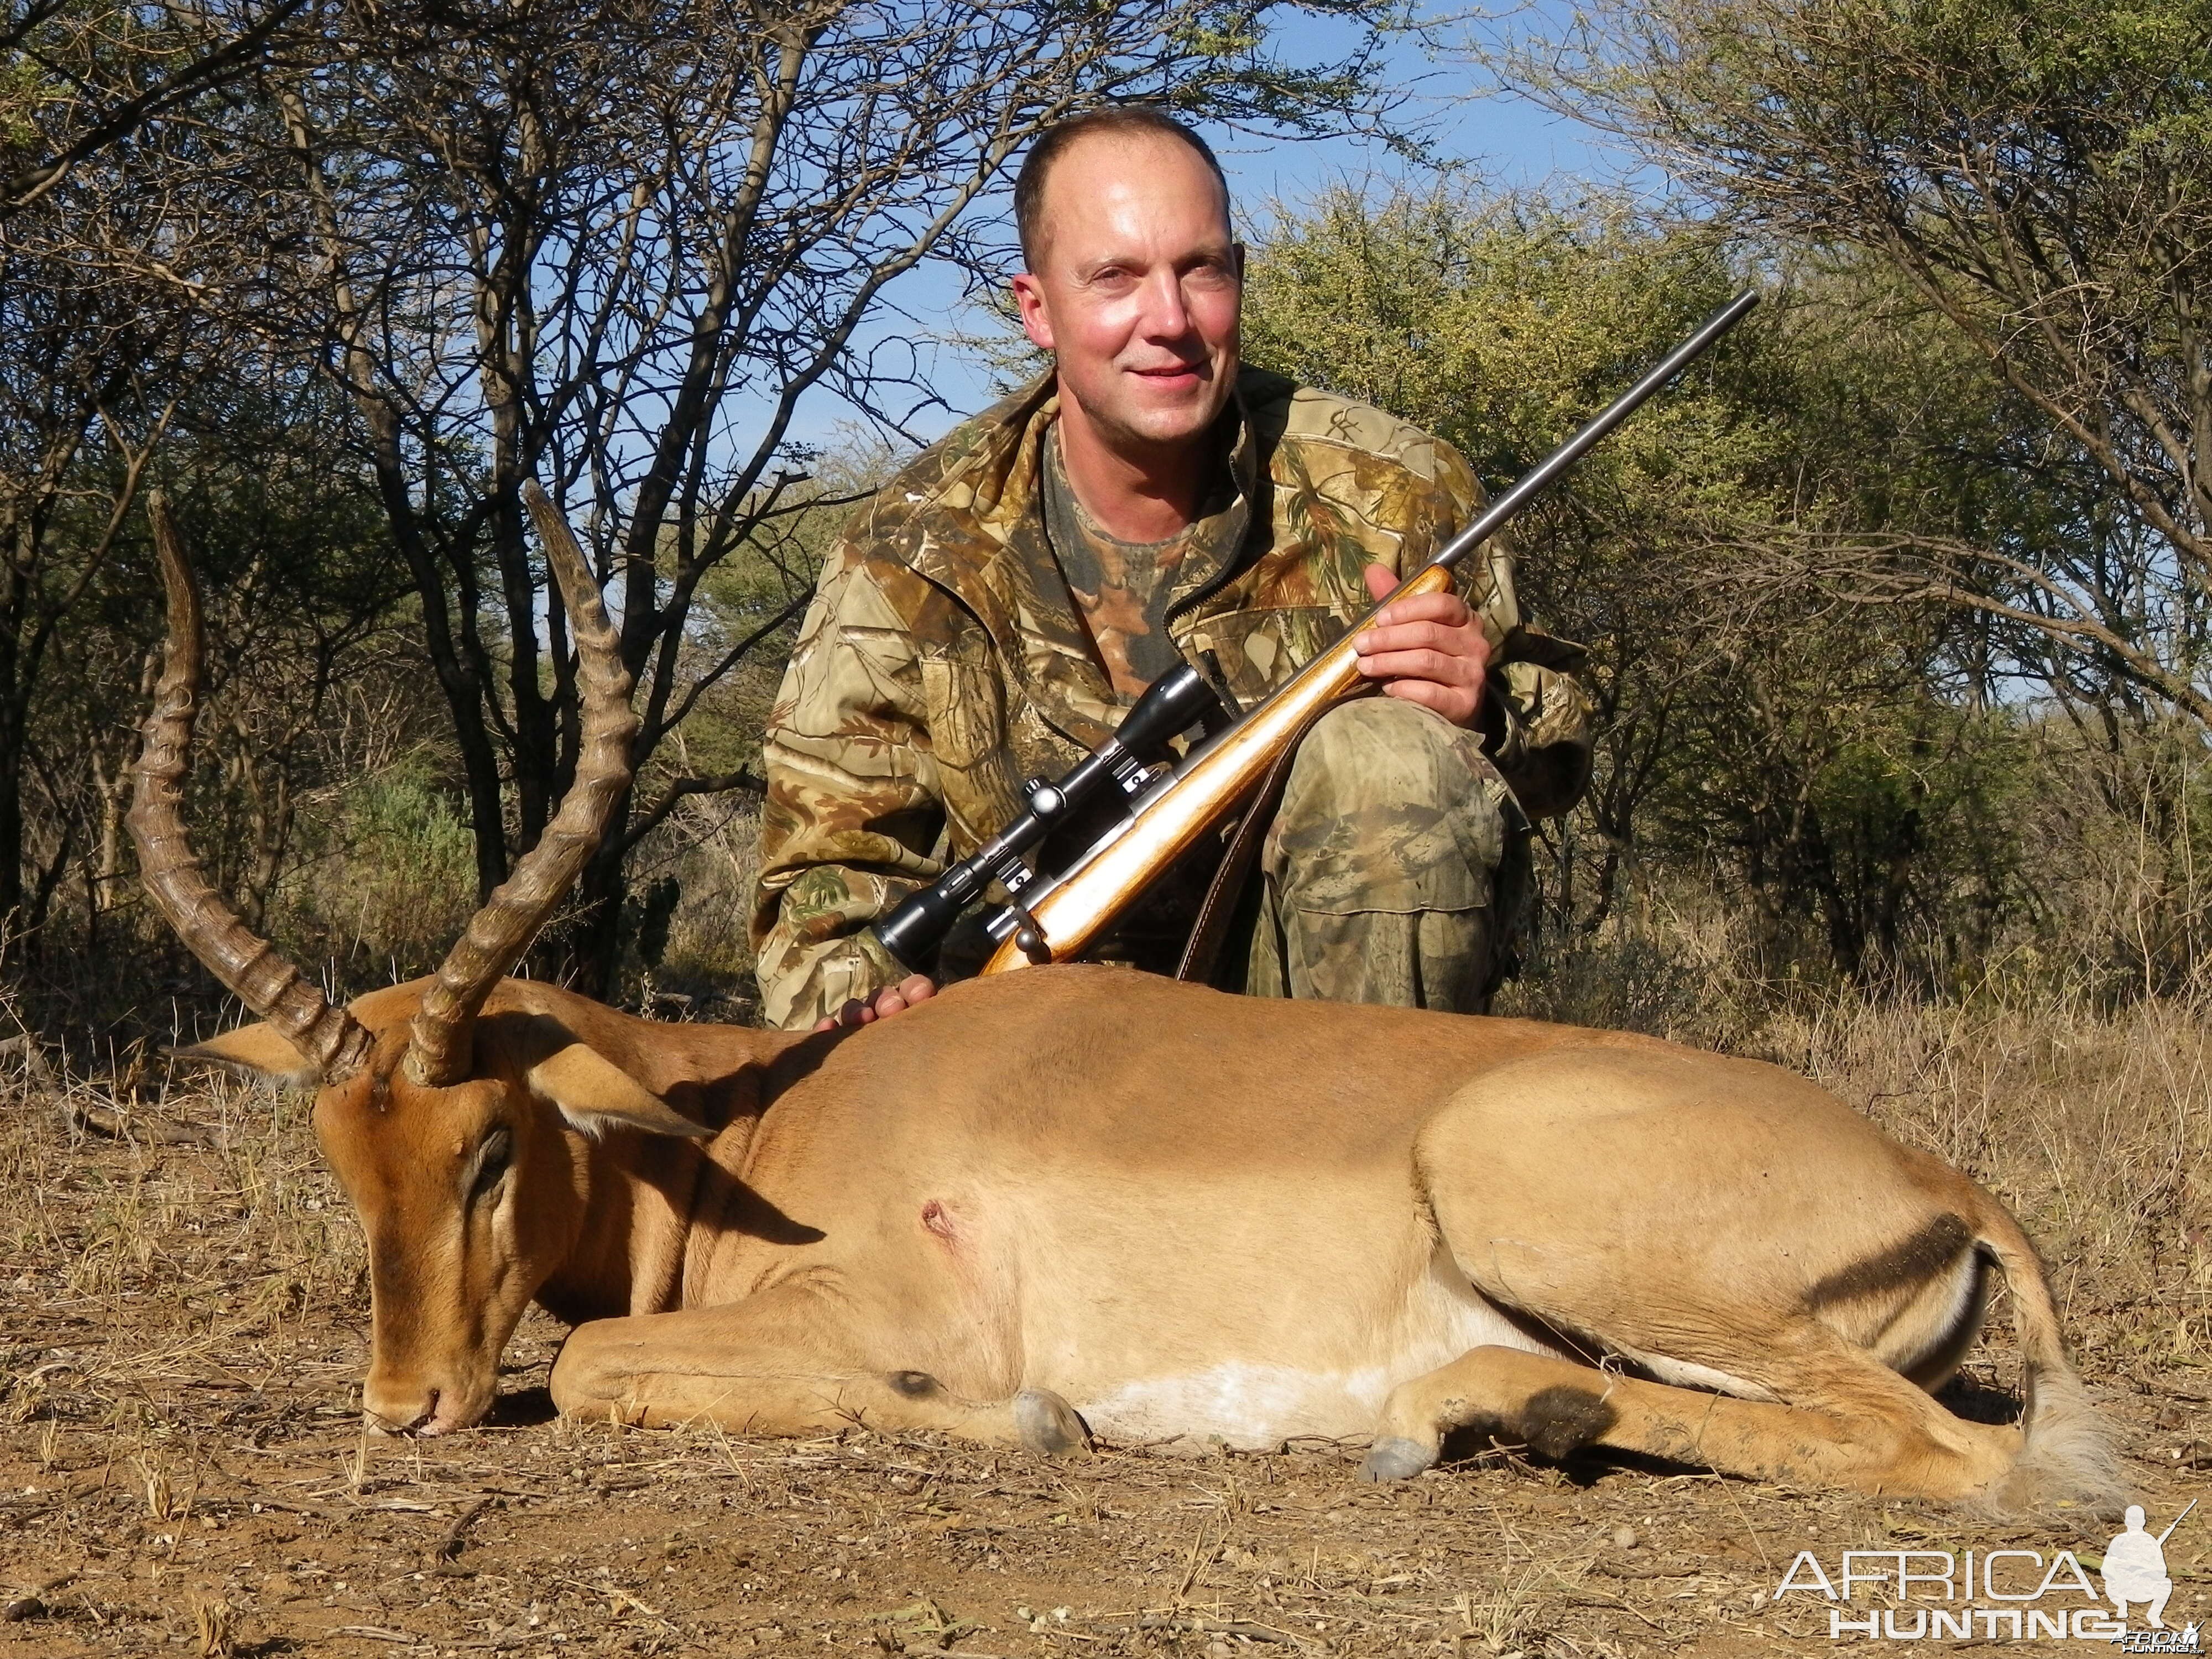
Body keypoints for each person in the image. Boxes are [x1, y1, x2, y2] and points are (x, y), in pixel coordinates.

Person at [749, 107, 1594, 1032]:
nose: (1170, 321)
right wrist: (860, 1003)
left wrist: (1483, 709)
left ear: (1239, 276)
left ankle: (1363, 1152)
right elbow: (823, 885)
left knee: (1387, 758)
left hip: (1306, 1036)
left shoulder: (1392, 490)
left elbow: (1562, 754)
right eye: (1115, 277)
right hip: (1013, 1042)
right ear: (1037, 309)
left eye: (1202, 270)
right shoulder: (908, 547)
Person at [2103, 1506, 2176, 1628]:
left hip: (2142, 1588)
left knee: (2166, 1583)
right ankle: (2122, 1606)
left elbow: (2161, 1571)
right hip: (2125, 1588)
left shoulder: (2149, 1542)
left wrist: (2144, 1570)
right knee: (2166, 1583)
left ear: (2126, 1522)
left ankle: (2153, 1615)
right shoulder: (2119, 1541)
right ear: (2144, 1522)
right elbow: (2107, 1568)